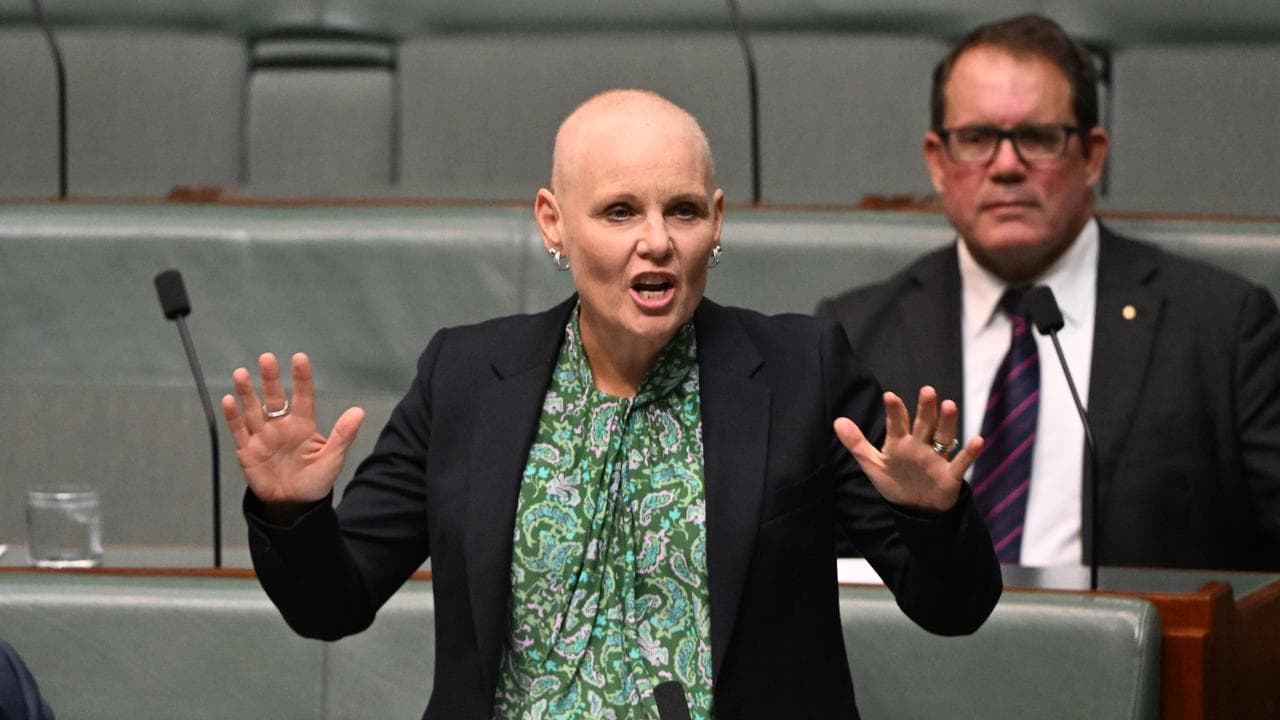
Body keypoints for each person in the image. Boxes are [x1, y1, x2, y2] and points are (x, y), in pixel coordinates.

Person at [223, 89, 1001, 719]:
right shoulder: (465, 378)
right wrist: (293, 512)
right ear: (553, 222)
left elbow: (953, 608)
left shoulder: (804, 371)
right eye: (620, 212)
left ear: (717, 223)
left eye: (683, 211)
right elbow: (333, 605)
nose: (657, 241)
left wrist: (931, 516)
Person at [817, 14, 1280, 570]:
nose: (1006, 166)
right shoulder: (857, 333)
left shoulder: (1222, 328)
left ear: (1092, 156)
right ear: (938, 161)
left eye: (1037, 138)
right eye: (977, 139)